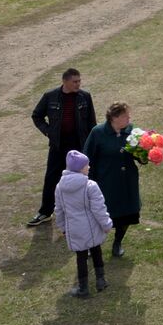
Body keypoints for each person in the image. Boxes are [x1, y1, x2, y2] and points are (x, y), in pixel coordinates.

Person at [27, 68, 97, 228]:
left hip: (79, 144)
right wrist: (48, 131)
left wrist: (92, 143)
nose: (78, 84)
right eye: (75, 81)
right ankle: (45, 211)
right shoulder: (50, 96)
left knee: (84, 178)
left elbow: (92, 122)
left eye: (79, 81)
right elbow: (36, 115)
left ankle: (86, 209)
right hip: (58, 145)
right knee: (51, 178)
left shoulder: (84, 97)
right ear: (65, 81)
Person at [83, 102, 141, 258]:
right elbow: (87, 158)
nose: (129, 118)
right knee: (99, 215)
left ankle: (117, 242)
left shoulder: (131, 131)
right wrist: (87, 181)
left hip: (127, 182)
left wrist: (145, 154)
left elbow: (139, 155)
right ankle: (92, 244)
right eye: (125, 116)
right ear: (114, 118)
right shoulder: (98, 133)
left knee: (127, 212)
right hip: (105, 182)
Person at [54, 150, 112, 297]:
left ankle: (83, 288)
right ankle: (101, 280)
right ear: (80, 168)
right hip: (91, 227)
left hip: (74, 229)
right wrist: (106, 224)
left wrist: (62, 227)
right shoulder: (90, 185)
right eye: (87, 165)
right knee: (96, 251)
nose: (89, 167)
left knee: (81, 257)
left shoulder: (60, 187)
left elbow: (59, 210)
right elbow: (99, 208)